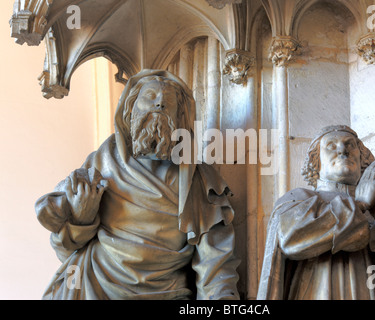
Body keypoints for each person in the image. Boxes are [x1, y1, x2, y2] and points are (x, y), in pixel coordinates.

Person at [36, 69, 240, 300]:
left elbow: (215, 264)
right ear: (130, 109)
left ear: (180, 116)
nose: (160, 104)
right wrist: (82, 221)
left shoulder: (200, 180)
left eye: (168, 101)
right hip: (93, 285)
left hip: (165, 293)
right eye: (150, 97)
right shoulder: (100, 165)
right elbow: (64, 250)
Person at [257, 125, 375, 300]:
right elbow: (290, 236)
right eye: (331, 146)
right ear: (315, 163)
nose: (343, 150)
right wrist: (360, 205)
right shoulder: (299, 198)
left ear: (362, 158)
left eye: (350, 145)